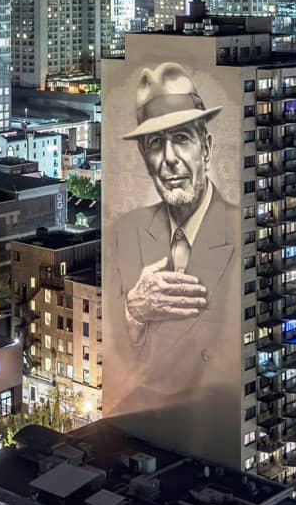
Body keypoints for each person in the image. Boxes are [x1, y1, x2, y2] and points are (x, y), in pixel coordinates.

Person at [103, 61, 240, 454]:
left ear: (207, 147)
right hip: (147, 439)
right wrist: (133, 310)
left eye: (181, 138)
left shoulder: (241, 228)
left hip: (215, 438)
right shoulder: (125, 231)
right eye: (154, 144)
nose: (169, 159)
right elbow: (116, 349)